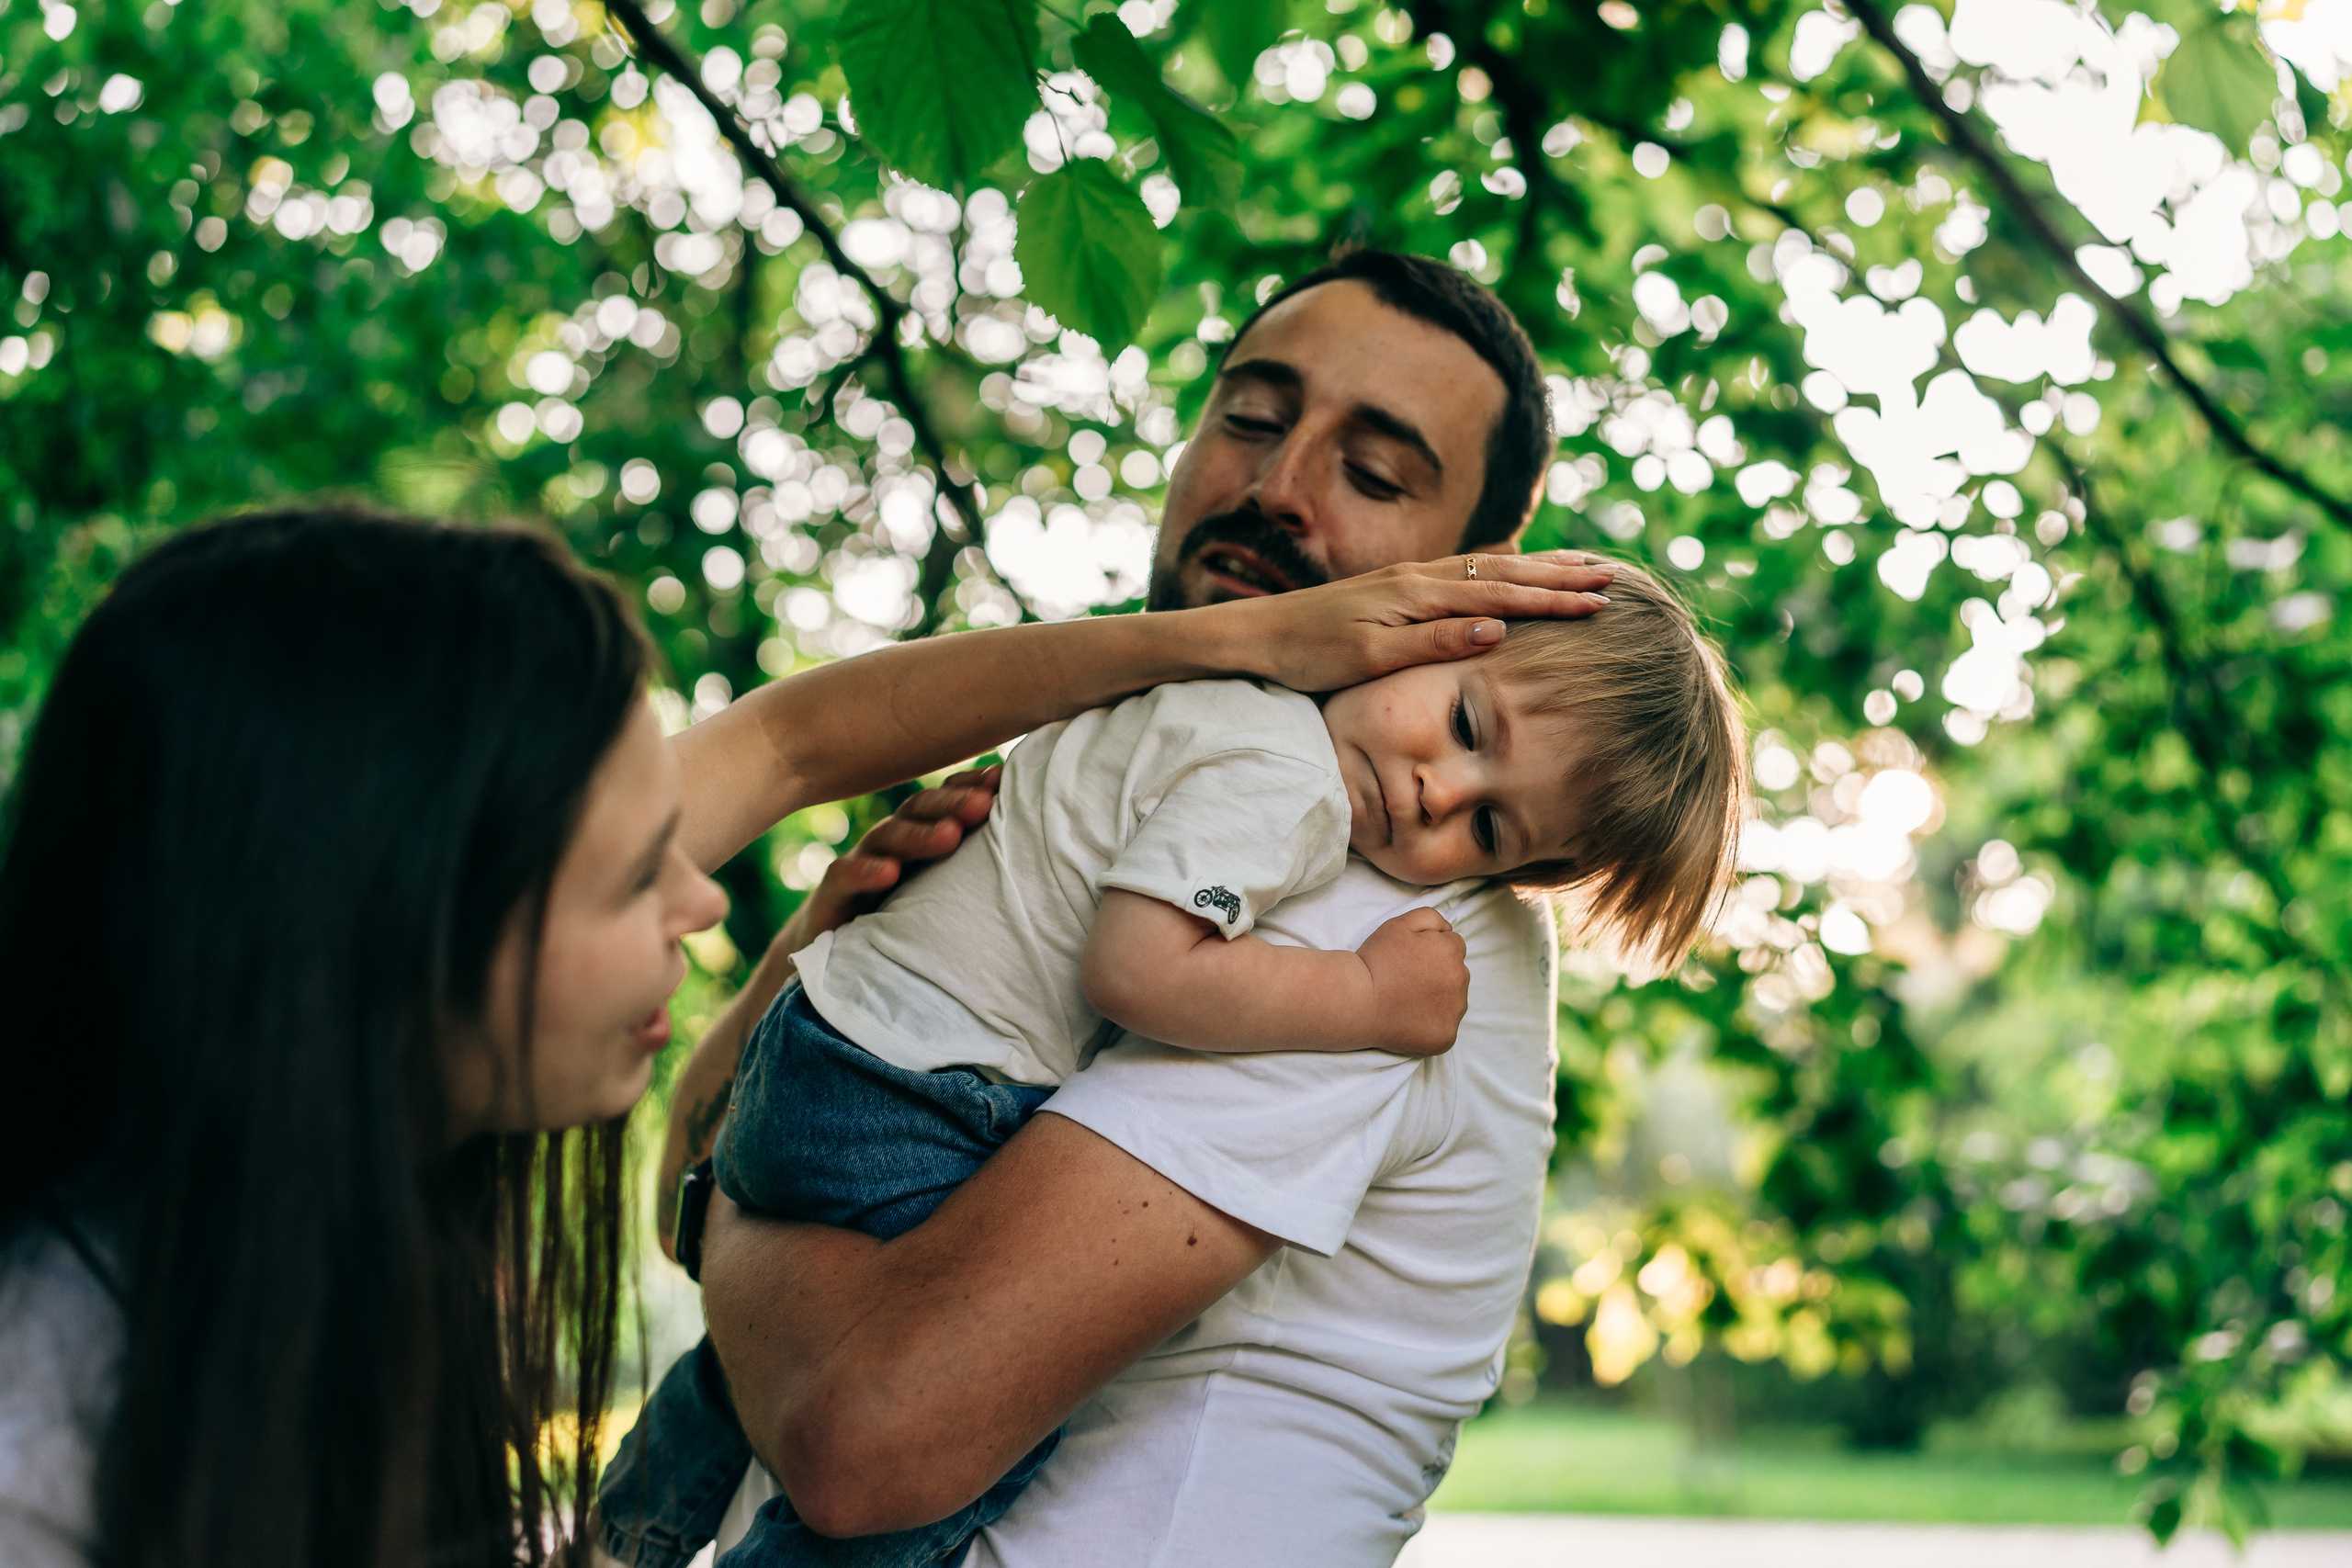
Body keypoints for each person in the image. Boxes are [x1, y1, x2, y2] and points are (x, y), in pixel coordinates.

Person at [0, 504, 1606, 1568]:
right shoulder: (57, 1421)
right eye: (640, 872)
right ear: (394, 922)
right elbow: (784, 746)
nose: (701, 916)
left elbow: (784, 743)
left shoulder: (1382, 900)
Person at [619, 250, 1715, 1567]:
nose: (1276, 489)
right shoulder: (1165, 765)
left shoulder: (1373, 905)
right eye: (1250, 419)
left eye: (1374, 475)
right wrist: (826, 967)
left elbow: (866, 1433)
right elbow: (702, 1194)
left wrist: (775, 1096)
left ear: (1486, 586)